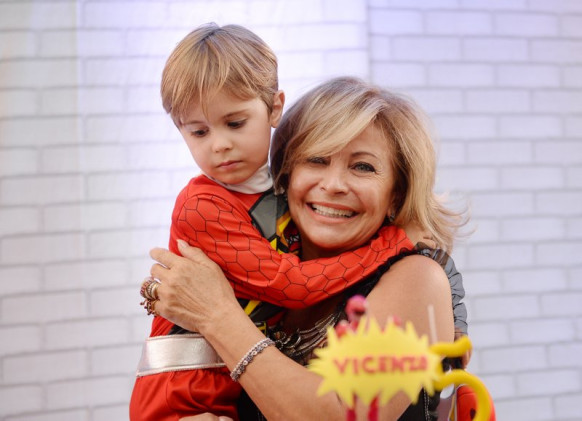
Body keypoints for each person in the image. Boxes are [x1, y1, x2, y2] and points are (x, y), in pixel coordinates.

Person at [129, 24, 456, 421]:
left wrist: (216, 315)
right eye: (316, 160)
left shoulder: (416, 278)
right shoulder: (265, 240)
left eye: (363, 167)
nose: (333, 185)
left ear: (398, 194)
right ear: (286, 171)